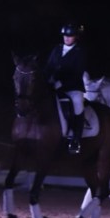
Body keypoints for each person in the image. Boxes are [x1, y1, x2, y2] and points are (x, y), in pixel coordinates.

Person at [43, 22, 89, 154]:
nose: (67, 38)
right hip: (53, 86)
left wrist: (62, 83)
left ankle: (76, 139)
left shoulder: (80, 52)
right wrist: (46, 79)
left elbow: (77, 73)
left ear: (76, 37)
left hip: (73, 87)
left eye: (70, 36)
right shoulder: (57, 49)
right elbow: (49, 67)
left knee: (78, 105)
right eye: (65, 36)